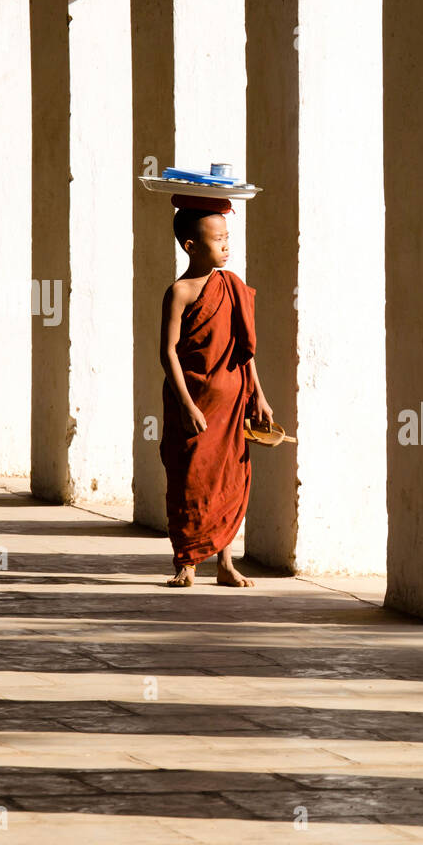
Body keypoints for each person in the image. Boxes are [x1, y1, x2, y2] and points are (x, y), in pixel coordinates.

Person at [158, 199, 273, 587]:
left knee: (230, 481)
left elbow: (245, 348)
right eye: (217, 239)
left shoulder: (233, 286)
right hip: (194, 403)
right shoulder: (181, 292)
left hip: (233, 401)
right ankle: (187, 561)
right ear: (190, 245)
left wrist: (258, 393)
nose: (226, 246)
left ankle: (225, 563)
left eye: (228, 238)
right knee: (190, 478)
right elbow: (168, 351)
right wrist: (186, 403)